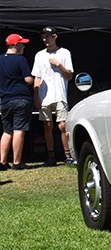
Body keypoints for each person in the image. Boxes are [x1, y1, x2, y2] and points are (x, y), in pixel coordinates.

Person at [32, 27, 74, 166]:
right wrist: (36, 95)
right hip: (44, 96)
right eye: (44, 37)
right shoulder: (39, 55)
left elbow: (69, 75)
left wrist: (59, 65)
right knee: (47, 126)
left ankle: (68, 155)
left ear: (55, 37)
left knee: (62, 125)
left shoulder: (64, 52)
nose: (46, 39)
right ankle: (51, 156)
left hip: (60, 94)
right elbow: (37, 76)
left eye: (48, 36)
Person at [0, 34, 34, 170]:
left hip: (5, 100)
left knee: (6, 131)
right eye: (21, 44)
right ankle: (16, 162)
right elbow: (28, 80)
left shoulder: (1, 59)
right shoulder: (20, 59)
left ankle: (2, 162)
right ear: (14, 45)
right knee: (19, 129)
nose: (24, 46)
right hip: (21, 97)